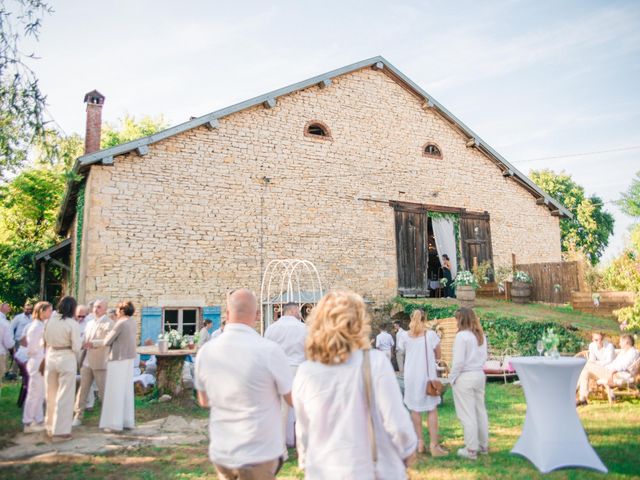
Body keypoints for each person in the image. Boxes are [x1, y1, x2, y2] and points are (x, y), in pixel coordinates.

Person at [293, 290, 417, 479]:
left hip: (323, 469)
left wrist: (304, 459)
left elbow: (303, 428)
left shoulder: (306, 371)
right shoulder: (375, 363)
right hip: (368, 467)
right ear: (358, 322)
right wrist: (407, 449)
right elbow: (395, 420)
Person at [195, 289, 292, 480]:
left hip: (223, 450)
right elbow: (291, 398)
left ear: (227, 314)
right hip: (259, 451)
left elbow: (204, 401)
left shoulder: (206, 352)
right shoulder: (270, 351)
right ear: (257, 315)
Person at [403, 309, 448, 457]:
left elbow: (403, 351)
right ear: (425, 319)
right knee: (432, 409)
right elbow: (438, 354)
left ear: (411, 318)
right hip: (426, 376)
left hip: (410, 376)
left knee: (414, 410)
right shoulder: (430, 335)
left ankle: (419, 442)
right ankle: (434, 445)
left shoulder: (404, 336)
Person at [265, 302, 308, 456]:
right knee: (302, 408)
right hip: (298, 368)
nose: (299, 313)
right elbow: (308, 350)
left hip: (278, 368)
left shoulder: (272, 328)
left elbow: (267, 351)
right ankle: (302, 447)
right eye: (298, 310)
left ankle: (280, 447)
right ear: (293, 310)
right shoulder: (303, 328)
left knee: (281, 409)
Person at [88, 300, 137, 432]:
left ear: (121, 311)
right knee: (126, 390)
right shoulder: (132, 322)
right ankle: (127, 421)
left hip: (118, 358)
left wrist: (92, 343)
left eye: (117, 309)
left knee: (115, 391)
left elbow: (107, 341)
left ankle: (113, 423)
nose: (115, 311)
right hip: (129, 358)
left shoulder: (120, 323)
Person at [449, 307, 489, 460]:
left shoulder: (462, 336)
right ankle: (483, 445)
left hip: (465, 376)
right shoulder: (480, 335)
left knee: (467, 414)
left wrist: (452, 378)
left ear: (461, 319)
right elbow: (485, 356)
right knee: (480, 410)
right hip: (479, 374)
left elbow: (458, 362)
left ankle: (471, 449)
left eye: (456, 319)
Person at [44, 296, 82, 440]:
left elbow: (46, 338)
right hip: (66, 356)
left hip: (51, 354)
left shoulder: (50, 321)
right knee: (65, 394)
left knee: (51, 392)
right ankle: (61, 430)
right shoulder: (72, 324)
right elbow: (76, 346)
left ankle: (49, 424)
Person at [73, 299, 114, 426]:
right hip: (86, 362)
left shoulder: (110, 323)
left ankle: (107, 418)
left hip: (100, 362)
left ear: (105, 309)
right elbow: (84, 339)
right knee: (82, 390)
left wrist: (94, 344)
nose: (96, 309)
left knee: (103, 392)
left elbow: (109, 341)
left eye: (99, 307)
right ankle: (78, 416)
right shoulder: (89, 323)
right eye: (95, 307)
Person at [577, 334, 638, 406]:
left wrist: (612, 370)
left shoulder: (633, 352)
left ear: (627, 342)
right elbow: (614, 363)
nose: (619, 343)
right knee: (585, 372)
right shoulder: (623, 352)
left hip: (616, 375)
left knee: (586, 364)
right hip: (609, 372)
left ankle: (573, 390)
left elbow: (624, 366)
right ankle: (582, 399)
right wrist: (606, 368)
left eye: (621, 342)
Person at [22, 301, 52, 432]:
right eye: (49, 310)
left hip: (42, 361)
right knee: (34, 392)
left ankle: (38, 419)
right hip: (36, 361)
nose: (50, 313)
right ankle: (28, 421)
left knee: (40, 392)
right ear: (42, 311)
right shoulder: (35, 327)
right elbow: (32, 348)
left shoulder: (42, 325)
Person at [10, 302, 33, 375]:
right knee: (18, 357)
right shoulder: (18, 317)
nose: (28, 311)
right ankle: (13, 373)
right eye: (26, 309)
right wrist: (12, 339)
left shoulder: (32, 318)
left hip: (29, 341)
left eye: (29, 309)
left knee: (27, 357)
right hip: (19, 340)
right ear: (24, 309)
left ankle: (22, 372)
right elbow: (11, 327)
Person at [0, 303, 14, 385]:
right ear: (1, 308)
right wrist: (13, 350)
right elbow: (8, 342)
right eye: (7, 306)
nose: (10, 307)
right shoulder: (4, 322)